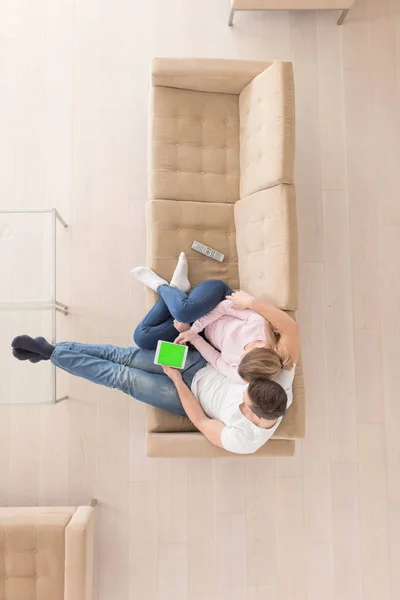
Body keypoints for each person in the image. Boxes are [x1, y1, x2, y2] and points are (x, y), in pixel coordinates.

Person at [131, 255, 299, 385]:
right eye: (244, 354)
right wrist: (193, 329)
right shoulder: (258, 326)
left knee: (142, 338)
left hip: (202, 331)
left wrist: (191, 335)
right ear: (261, 346)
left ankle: (176, 289)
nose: (238, 358)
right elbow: (225, 307)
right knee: (184, 312)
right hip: (217, 300)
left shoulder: (243, 373)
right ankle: (159, 285)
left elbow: (216, 359)